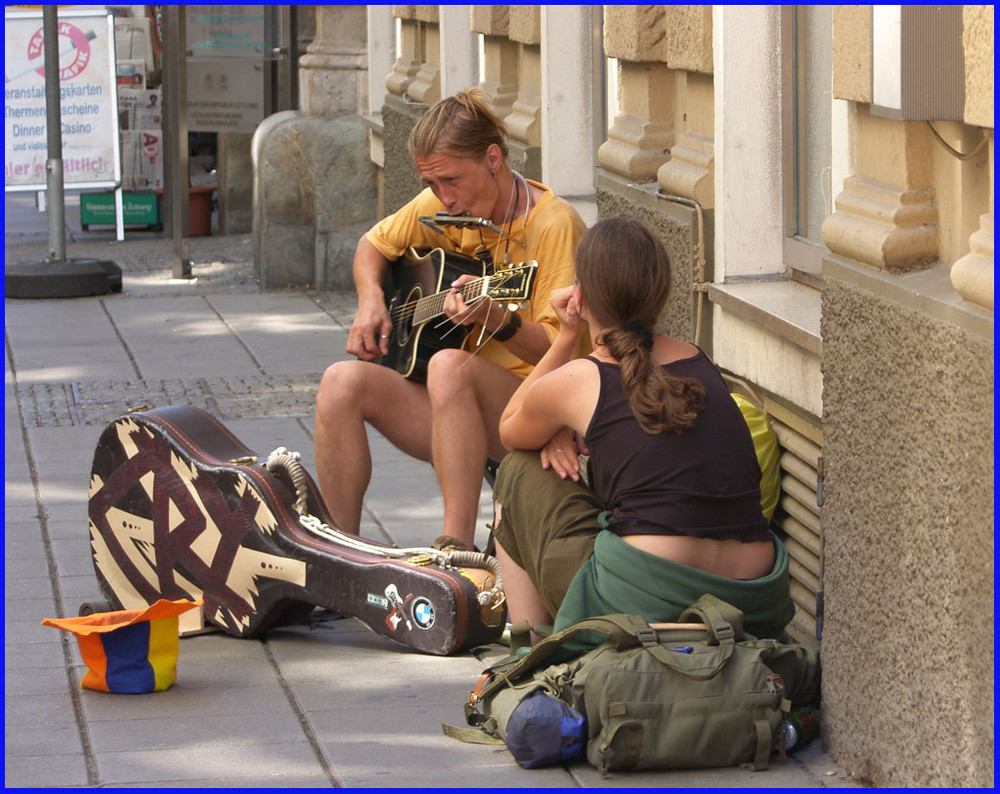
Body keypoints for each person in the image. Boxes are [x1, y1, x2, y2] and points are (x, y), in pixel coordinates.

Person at [493, 215, 795, 653]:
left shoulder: (581, 378)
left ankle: (538, 660)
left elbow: (510, 427)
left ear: (579, 295)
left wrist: (566, 334)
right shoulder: (698, 359)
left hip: (641, 602)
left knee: (518, 469)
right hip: (753, 600)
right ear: (664, 294)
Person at [314, 90, 587, 550]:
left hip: (534, 413)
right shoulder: (443, 206)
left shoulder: (553, 225)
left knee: (445, 364)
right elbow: (373, 245)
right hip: (456, 414)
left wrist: (498, 320)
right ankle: (340, 553)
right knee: (340, 382)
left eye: (451, 181)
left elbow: (565, 351)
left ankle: (455, 551)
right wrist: (371, 302)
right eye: (433, 183)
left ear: (493, 158)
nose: (444, 197)